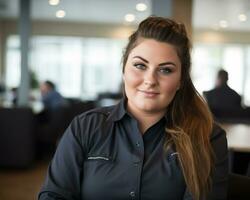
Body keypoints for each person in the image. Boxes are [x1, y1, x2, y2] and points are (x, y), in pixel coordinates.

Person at [39, 16, 228, 200]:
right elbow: (54, 195)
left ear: (180, 81)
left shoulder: (207, 136)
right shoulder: (85, 127)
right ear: (124, 70)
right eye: (140, 65)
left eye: (165, 70)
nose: (150, 80)